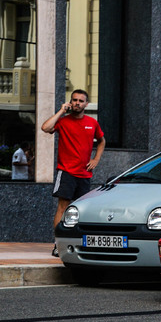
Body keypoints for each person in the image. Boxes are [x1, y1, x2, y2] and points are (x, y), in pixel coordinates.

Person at [41, 89, 106, 257]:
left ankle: (77, 243)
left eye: (81, 101)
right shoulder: (63, 121)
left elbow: (101, 141)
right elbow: (45, 127)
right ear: (71, 102)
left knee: (81, 210)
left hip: (84, 174)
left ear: (86, 104)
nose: (77, 103)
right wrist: (62, 110)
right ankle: (58, 245)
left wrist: (96, 159)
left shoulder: (92, 123)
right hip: (67, 172)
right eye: (74, 100)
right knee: (63, 207)